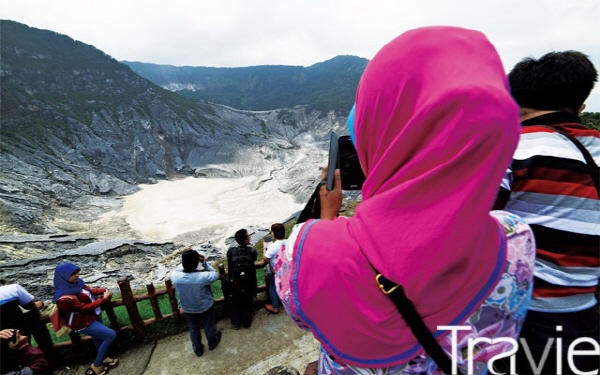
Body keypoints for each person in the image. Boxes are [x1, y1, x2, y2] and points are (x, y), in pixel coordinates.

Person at [275, 26, 536, 375]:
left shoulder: (302, 253)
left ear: (376, 135)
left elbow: (311, 316)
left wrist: (326, 219)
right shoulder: (516, 238)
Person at [493, 50, 600, 374]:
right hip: (586, 312)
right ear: (580, 107)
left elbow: (460, 222)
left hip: (523, 317)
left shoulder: (511, 147)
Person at [53, 263, 119, 375]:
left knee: (97, 338)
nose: (77, 275)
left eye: (77, 272)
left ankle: (104, 358)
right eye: (72, 274)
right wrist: (104, 299)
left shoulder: (76, 284)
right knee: (110, 335)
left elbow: (89, 291)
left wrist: (104, 290)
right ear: (63, 277)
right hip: (83, 322)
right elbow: (83, 308)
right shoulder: (63, 299)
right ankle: (97, 365)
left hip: (93, 315)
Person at [171, 249, 222, 357]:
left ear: (183, 263)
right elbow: (215, 274)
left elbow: (178, 269)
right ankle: (212, 343)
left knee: (193, 328)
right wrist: (204, 262)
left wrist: (187, 260)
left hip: (188, 308)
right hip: (205, 307)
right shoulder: (203, 277)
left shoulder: (175, 277)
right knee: (209, 325)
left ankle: (198, 350)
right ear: (196, 263)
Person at [0, 283, 57, 367]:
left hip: (2, 333)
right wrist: (37, 304)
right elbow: (29, 305)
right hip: (18, 326)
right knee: (25, 347)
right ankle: (49, 360)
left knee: (7, 357)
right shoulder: (12, 289)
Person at [226, 228, 258, 329]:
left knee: (236, 301)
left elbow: (229, 262)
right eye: (248, 236)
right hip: (248, 280)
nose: (249, 237)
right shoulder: (252, 250)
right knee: (247, 300)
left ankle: (236, 323)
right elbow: (254, 259)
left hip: (235, 281)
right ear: (245, 240)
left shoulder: (231, 251)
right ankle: (246, 322)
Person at [263, 223, 287, 314]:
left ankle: (275, 306)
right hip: (289, 271)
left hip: (278, 273)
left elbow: (265, 260)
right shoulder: (289, 242)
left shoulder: (272, 247)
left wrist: (265, 247)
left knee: (272, 286)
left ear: (273, 234)